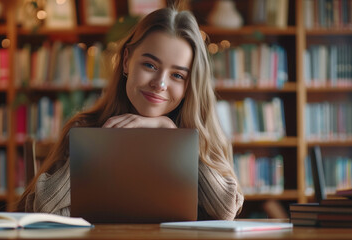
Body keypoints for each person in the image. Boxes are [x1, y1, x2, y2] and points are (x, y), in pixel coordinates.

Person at [16, 6, 243, 220]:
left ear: (189, 85)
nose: (160, 84)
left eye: (177, 75)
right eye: (150, 65)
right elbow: (43, 207)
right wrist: (95, 151)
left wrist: (173, 135)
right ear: (126, 61)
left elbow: (225, 209)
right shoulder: (85, 129)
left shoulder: (203, 137)